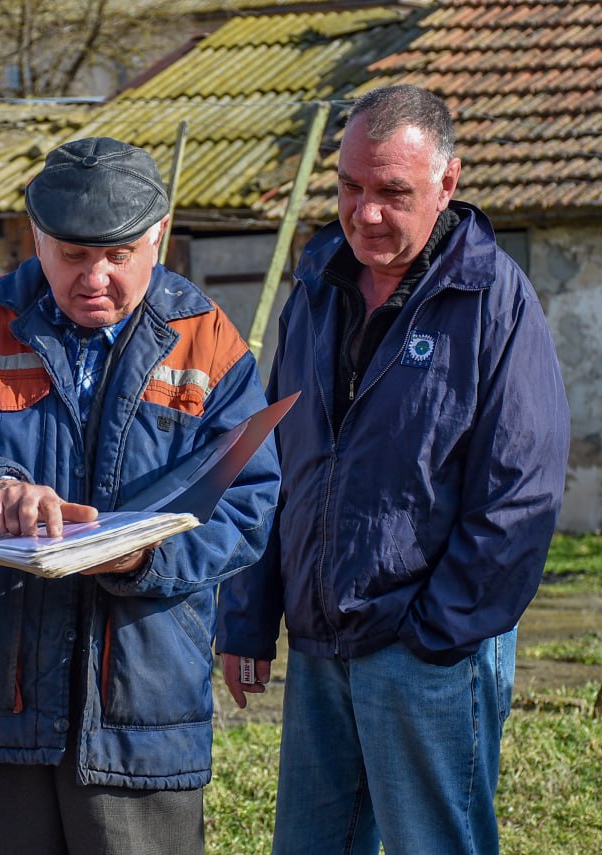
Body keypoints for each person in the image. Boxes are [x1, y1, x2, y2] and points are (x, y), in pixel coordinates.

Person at [0, 136, 281, 855]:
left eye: (119, 255)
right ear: (37, 236)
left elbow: (248, 501)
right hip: (0, 701)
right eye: (71, 254)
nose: (95, 276)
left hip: (141, 709)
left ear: (157, 234)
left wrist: (143, 560)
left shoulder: (209, 340)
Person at [217, 84, 570, 855]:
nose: (365, 213)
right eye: (349, 187)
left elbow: (522, 493)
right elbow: (270, 459)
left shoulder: (492, 301)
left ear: (447, 184)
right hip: (321, 643)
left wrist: (434, 634)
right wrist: (248, 612)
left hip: (429, 649)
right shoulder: (314, 288)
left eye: (392, 192)